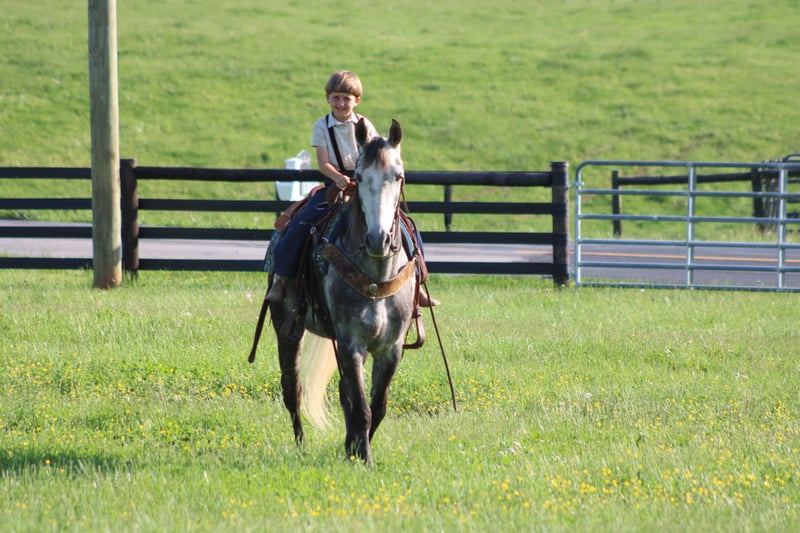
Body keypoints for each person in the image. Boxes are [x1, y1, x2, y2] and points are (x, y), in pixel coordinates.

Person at [267, 70, 438, 306]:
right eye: (336, 98)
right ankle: (282, 278)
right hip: (333, 182)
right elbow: (323, 163)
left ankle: (416, 280)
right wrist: (338, 178)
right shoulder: (321, 126)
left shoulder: (364, 125)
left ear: (356, 100)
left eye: (346, 98)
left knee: (406, 225)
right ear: (327, 98)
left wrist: (365, 178)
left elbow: (377, 158)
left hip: (363, 182)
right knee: (302, 222)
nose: (340, 103)